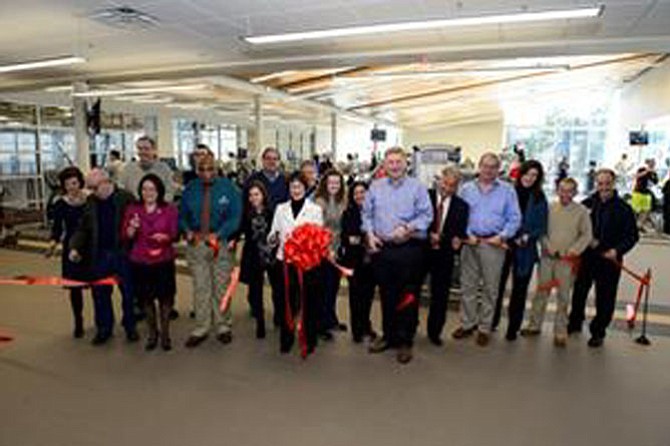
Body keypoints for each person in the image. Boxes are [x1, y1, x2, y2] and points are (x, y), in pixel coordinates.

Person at [362, 147, 433, 364]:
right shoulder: (375, 187)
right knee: (386, 294)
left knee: (408, 297)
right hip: (382, 250)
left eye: (398, 162)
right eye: (390, 162)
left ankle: (405, 340)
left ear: (406, 164)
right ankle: (389, 336)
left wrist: (409, 228)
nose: (394, 166)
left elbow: (427, 215)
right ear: (384, 164)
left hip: (409, 249)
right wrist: (370, 235)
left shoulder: (417, 188)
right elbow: (366, 214)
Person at [454, 153, 521, 347]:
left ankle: (484, 327)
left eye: (493, 167)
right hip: (470, 242)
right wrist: (467, 234)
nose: (489, 170)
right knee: (468, 286)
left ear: (498, 169)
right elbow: (459, 215)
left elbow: (515, 218)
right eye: (485, 166)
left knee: (491, 289)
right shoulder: (466, 189)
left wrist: (502, 236)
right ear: (479, 167)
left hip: (494, 243)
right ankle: (467, 324)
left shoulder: (507, 191)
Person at [568, 169, 639, 347]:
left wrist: (617, 250)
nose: (604, 187)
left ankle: (598, 331)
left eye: (607, 183)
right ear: (596, 184)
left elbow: (632, 236)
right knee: (579, 292)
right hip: (587, 257)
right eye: (600, 183)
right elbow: (574, 225)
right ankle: (575, 322)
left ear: (613, 183)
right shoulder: (587, 204)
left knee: (605, 297)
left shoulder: (624, 209)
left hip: (609, 260)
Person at [68, 169, 138, 345]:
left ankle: (131, 327)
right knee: (100, 295)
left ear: (107, 183)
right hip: (100, 255)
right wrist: (75, 247)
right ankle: (104, 329)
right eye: (89, 187)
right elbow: (83, 228)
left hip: (123, 254)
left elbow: (137, 224)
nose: (91, 191)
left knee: (129, 294)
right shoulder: (91, 202)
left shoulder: (126, 198)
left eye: (93, 187)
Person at [180, 154, 242, 348]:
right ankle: (201, 327)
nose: (207, 173)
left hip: (221, 244)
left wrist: (221, 233)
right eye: (202, 169)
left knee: (221, 286)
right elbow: (182, 215)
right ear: (197, 170)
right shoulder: (190, 189)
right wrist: (187, 230)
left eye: (210, 169)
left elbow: (235, 216)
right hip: (197, 244)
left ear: (217, 168)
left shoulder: (229, 188)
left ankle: (223, 325)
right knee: (201, 286)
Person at [523, 178, 592, 346]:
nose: (565, 194)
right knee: (541, 293)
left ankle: (560, 331)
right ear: (557, 191)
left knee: (563, 296)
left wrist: (574, 250)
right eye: (562, 190)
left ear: (575, 192)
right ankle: (534, 325)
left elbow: (586, 235)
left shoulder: (582, 211)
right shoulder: (549, 208)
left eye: (569, 191)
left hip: (567, 262)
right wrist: (547, 246)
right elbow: (541, 231)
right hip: (548, 258)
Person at [268, 172, 324, 354]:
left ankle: (309, 337)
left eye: (299, 186)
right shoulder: (280, 208)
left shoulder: (315, 210)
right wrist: (273, 238)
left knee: (309, 302)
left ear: (305, 188)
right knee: (286, 302)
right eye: (293, 187)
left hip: (307, 264)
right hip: (285, 263)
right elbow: (272, 233)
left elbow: (318, 237)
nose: (296, 190)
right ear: (289, 189)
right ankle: (287, 337)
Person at [122, 174, 178, 351]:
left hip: (164, 259)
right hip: (140, 260)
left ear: (159, 191)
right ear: (140, 191)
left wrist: (166, 237)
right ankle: (153, 333)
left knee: (165, 298)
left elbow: (175, 234)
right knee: (146, 300)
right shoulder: (133, 209)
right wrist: (132, 228)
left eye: (152, 189)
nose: (148, 192)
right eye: (145, 189)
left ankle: (166, 333)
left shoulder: (169, 209)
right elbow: (125, 235)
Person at [493, 160, 548, 341]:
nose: (529, 178)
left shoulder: (540, 198)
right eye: (527, 174)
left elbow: (541, 225)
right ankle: (492, 322)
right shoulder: (508, 192)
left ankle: (512, 328)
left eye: (534, 176)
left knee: (520, 289)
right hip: (504, 244)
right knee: (497, 286)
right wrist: (509, 234)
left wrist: (528, 236)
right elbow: (499, 216)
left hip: (526, 249)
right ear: (520, 173)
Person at [426, 166, 469, 346]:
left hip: (444, 255)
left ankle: (434, 332)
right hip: (422, 251)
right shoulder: (424, 197)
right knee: (410, 290)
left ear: (457, 186)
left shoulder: (462, 206)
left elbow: (459, 233)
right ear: (439, 180)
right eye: (445, 183)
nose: (447, 188)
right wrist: (429, 234)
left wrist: (456, 241)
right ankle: (408, 328)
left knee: (440, 295)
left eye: (452, 186)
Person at [47, 167, 88, 338]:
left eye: (75, 183)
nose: (72, 187)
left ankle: (103, 323)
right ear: (63, 185)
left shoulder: (89, 200)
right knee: (74, 287)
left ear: (80, 182)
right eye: (68, 184)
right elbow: (57, 228)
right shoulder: (60, 203)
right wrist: (52, 244)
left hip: (89, 245)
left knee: (98, 286)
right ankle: (78, 321)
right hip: (71, 247)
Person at [339, 181, 377, 343]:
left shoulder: (375, 212)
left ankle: (366, 326)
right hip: (354, 262)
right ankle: (357, 331)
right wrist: (366, 238)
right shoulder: (348, 213)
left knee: (368, 297)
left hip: (372, 261)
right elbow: (348, 238)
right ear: (352, 196)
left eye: (363, 192)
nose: (360, 196)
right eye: (356, 193)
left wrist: (361, 238)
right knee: (356, 297)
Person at [238, 181, 276, 339]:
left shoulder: (272, 212)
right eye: (251, 195)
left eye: (257, 194)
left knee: (277, 287)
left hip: (270, 254)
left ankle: (279, 317)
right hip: (253, 255)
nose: (254, 198)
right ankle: (260, 323)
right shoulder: (245, 213)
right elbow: (239, 230)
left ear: (263, 195)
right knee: (256, 290)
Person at [314, 168, 348, 339]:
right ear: (325, 184)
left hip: (339, 250)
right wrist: (328, 249)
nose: (334, 185)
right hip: (324, 250)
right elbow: (317, 229)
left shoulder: (344, 200)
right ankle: (320, 325)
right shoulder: (319, 202)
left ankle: (331, 319)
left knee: (333, 286)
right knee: (324, 288)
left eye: (337, 182)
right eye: (330, 183)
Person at [119, 136, 175, 202]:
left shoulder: (164, 169)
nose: (142, 152)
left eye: (146, 149)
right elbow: (121, 191)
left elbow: (169, 193)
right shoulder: (128, 169)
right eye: (140, 149)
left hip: (158, 208)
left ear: (154, 150)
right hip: (134, 208)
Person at [631, 159, 659, 232]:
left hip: (646, 193)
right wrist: (647, 171)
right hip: (638, 192)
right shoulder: (642, 169)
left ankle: (640, 225)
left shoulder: (653, 173)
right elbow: (637, 176)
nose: (652, 165)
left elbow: (655, 182)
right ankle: (632, 225)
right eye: (651, 163)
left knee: (646, 210)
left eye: (653, 164)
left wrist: (653, 174)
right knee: (635, 210)